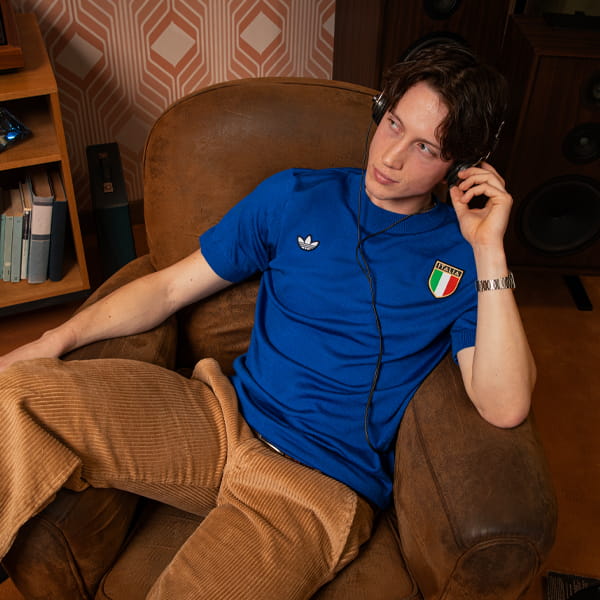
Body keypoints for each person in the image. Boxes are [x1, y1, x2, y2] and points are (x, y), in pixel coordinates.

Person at [0, 43, 535, 599]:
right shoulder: (295, 195)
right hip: (219, 419)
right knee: (17, 393)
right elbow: (168, 287)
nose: (392, 156)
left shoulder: (465, 256)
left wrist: (489, 250)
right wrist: (53, 340)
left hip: (314, 485)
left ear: (461, 166)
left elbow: (505, 405)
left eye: (424, 147)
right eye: (394, 123)